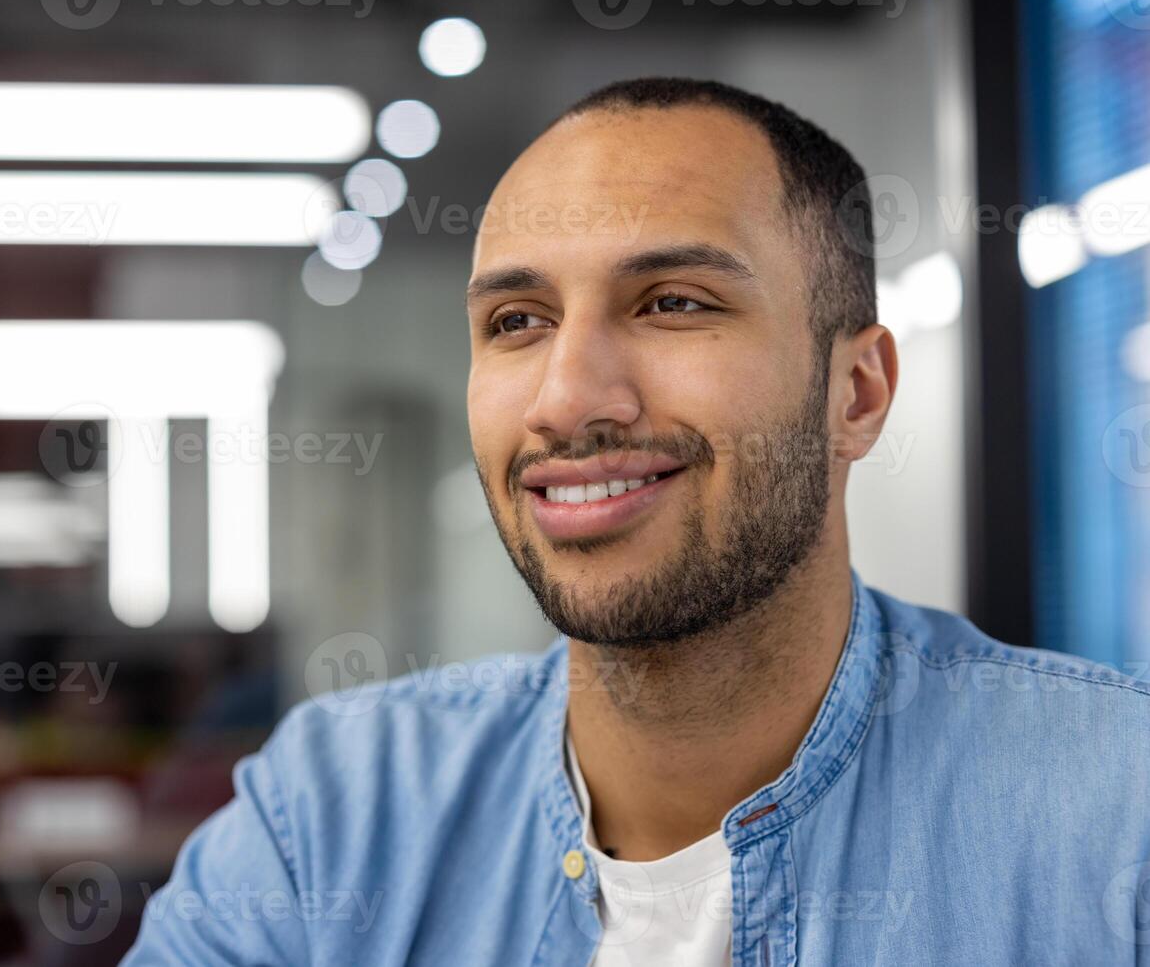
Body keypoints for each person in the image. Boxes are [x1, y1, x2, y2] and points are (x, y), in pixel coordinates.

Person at [122, 77, 1150, 966]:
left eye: (673, 303)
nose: (566, 400)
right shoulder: (334, 813)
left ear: (859, 392)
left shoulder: (1113, 815)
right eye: (517, 322)